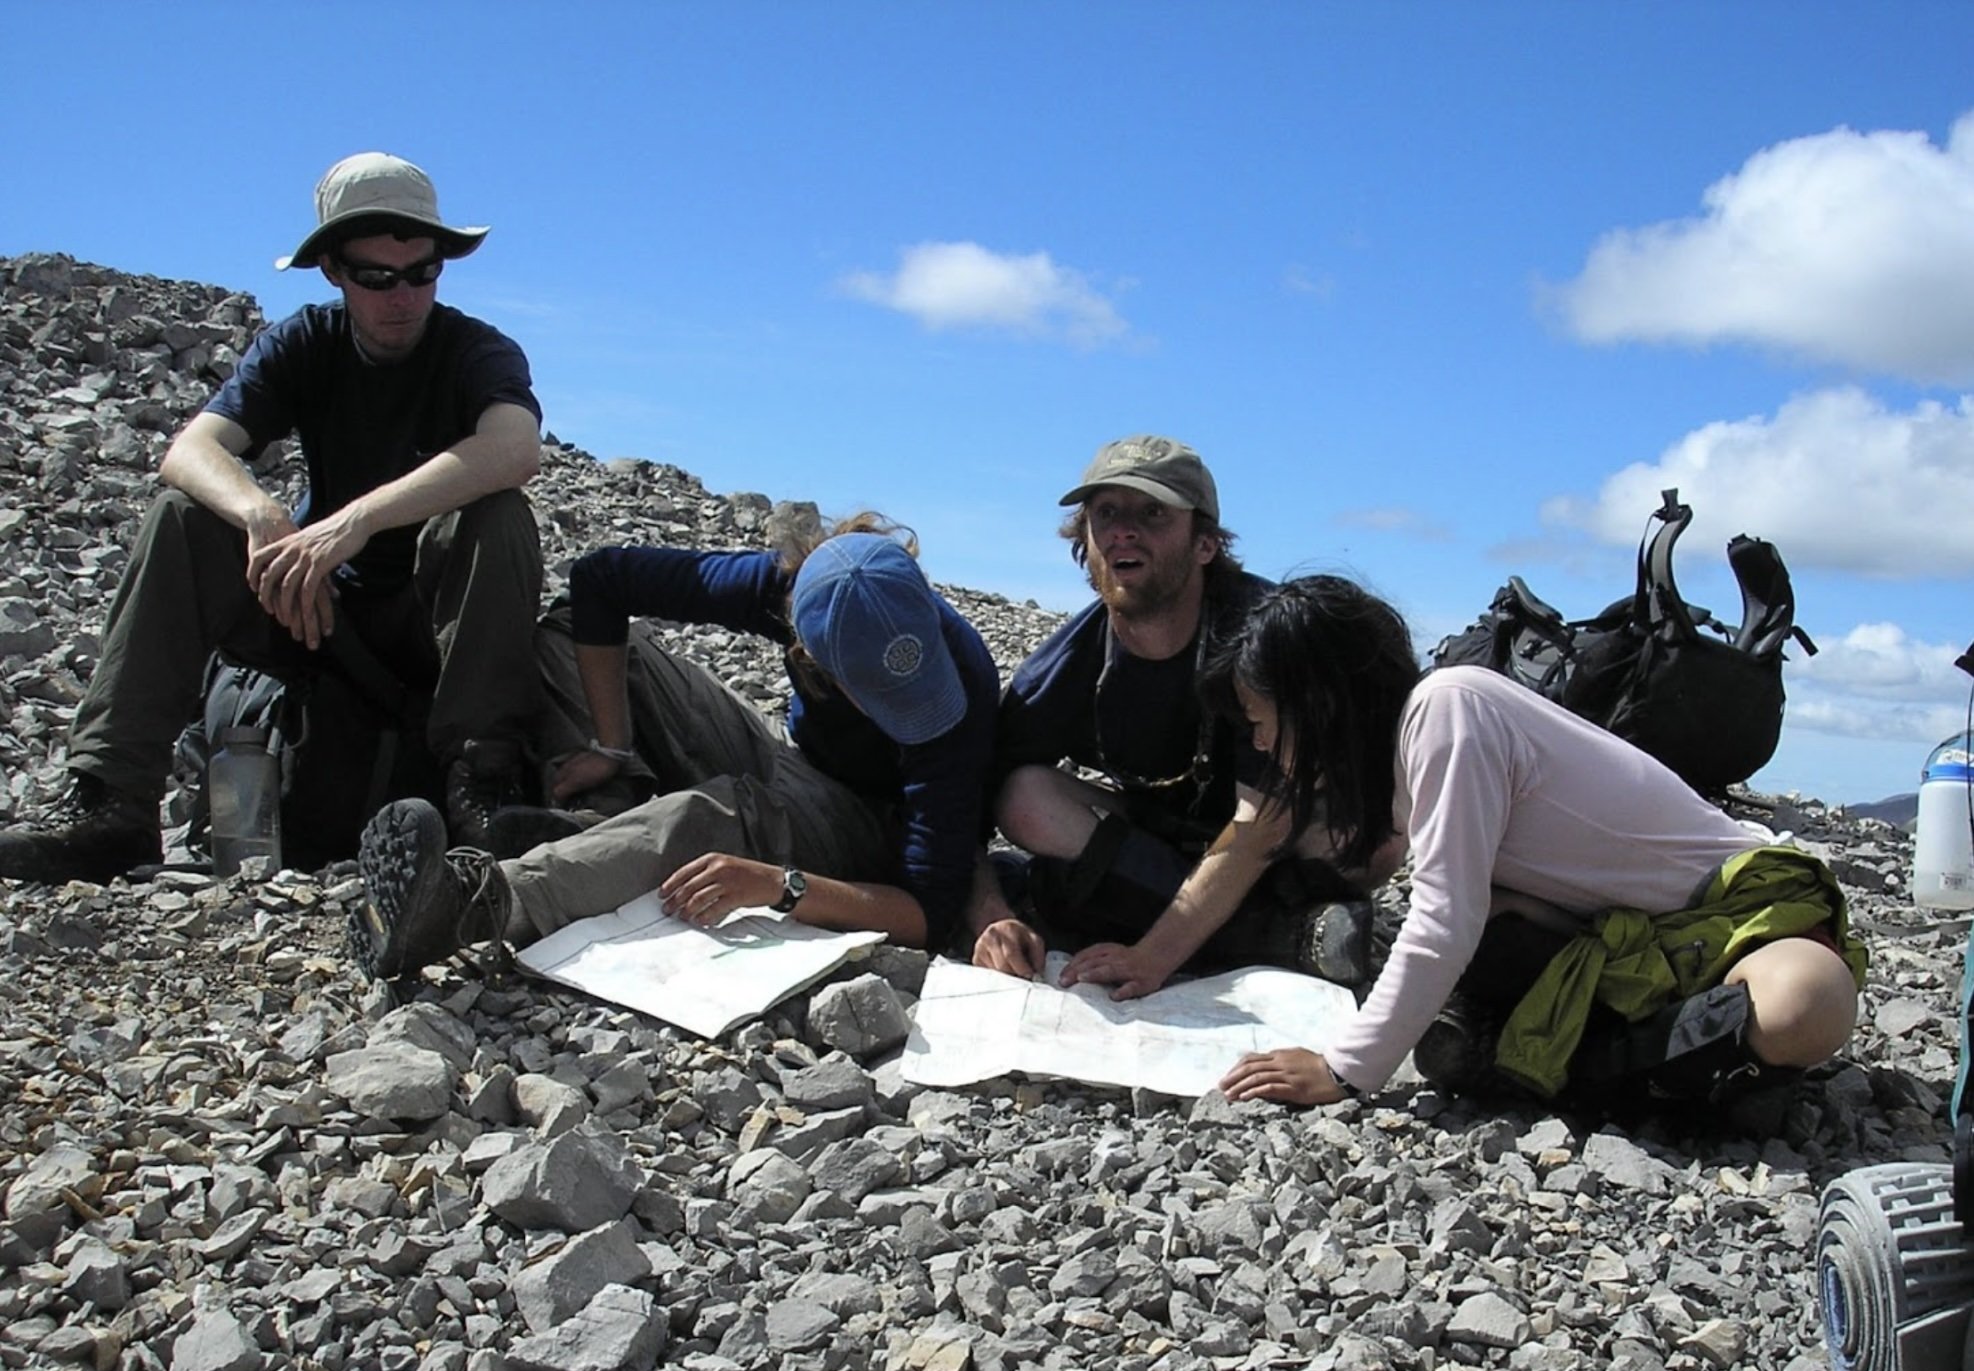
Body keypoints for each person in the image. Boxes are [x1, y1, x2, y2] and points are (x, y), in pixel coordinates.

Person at [0, 151, 545, 882]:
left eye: (421, 274)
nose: (401, 297)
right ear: (334, 272)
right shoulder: (305, 342)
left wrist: (354, 522)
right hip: (310, 610)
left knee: (495, 517)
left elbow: (513, 447)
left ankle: (482, 788)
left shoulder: (474, 350)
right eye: (376, 278)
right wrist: (264, 517)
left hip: (425, 626)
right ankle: (112, 802)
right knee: (182, 519)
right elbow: (191, 451)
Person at [1211, 575, 1865, 1113]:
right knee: (1489, 944)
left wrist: (1345, 1070)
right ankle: (1687, 1073)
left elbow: (1443, 920)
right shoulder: (1402, 767)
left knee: (1803, 1003)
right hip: (1624, 944)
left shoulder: (1447, 711)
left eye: (1264, 722)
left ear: (1318, 705)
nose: (1262, 743)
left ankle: (1586, 1071)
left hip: (1732, 915)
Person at [349, 519, 999, 979]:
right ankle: (602, 820)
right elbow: (602, 581)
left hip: (870, 827)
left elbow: (927, 913)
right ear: (809, 648)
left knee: (721, 814)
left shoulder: (959, 689)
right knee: (571, 631)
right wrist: (612, 743)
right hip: (798, 758)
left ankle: (475, 906)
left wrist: (781, 886)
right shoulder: (794, 590)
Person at [970, 435, 1389, 995]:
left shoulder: (1263, 640)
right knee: (1022, 795)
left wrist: (1154, 955)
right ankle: (1286, 936)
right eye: (1106, 514)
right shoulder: (1062, 669)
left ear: (1205, 544)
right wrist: (991, 914)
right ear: (1086, 542)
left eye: (1153, 514)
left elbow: (1259, 824)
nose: (1124, 530)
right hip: (1156, 832)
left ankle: (1176, 914)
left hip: (1276, 825)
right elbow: (968, 798)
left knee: (1366, 842)